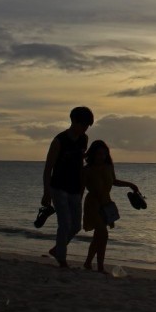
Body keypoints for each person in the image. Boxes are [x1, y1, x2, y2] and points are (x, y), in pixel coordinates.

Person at [41, 106, 94, 268]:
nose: (85, 128)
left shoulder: (84, 139)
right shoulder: (59, 141)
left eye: (87, 126)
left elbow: (80, 162)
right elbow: (48, 168)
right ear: (74, 122)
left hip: (75, 188)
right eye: (83, 124)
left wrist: (82, 187)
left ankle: (58, 249)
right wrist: (46, 193)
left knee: (76, 225)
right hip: (58, 187)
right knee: (64, 223)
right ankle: (62, 260)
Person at [82, 139, 141, 272]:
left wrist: (130, 184)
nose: (101, 157)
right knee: (103, 233)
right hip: (92, 204)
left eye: (104, 154)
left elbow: (114, 181)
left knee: (99, 236)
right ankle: (100, 266)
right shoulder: (87, 170)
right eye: (98, 154)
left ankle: (88, 263)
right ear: (92, 155)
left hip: (105, 203)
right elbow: (80, 189)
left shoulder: (108, 166)